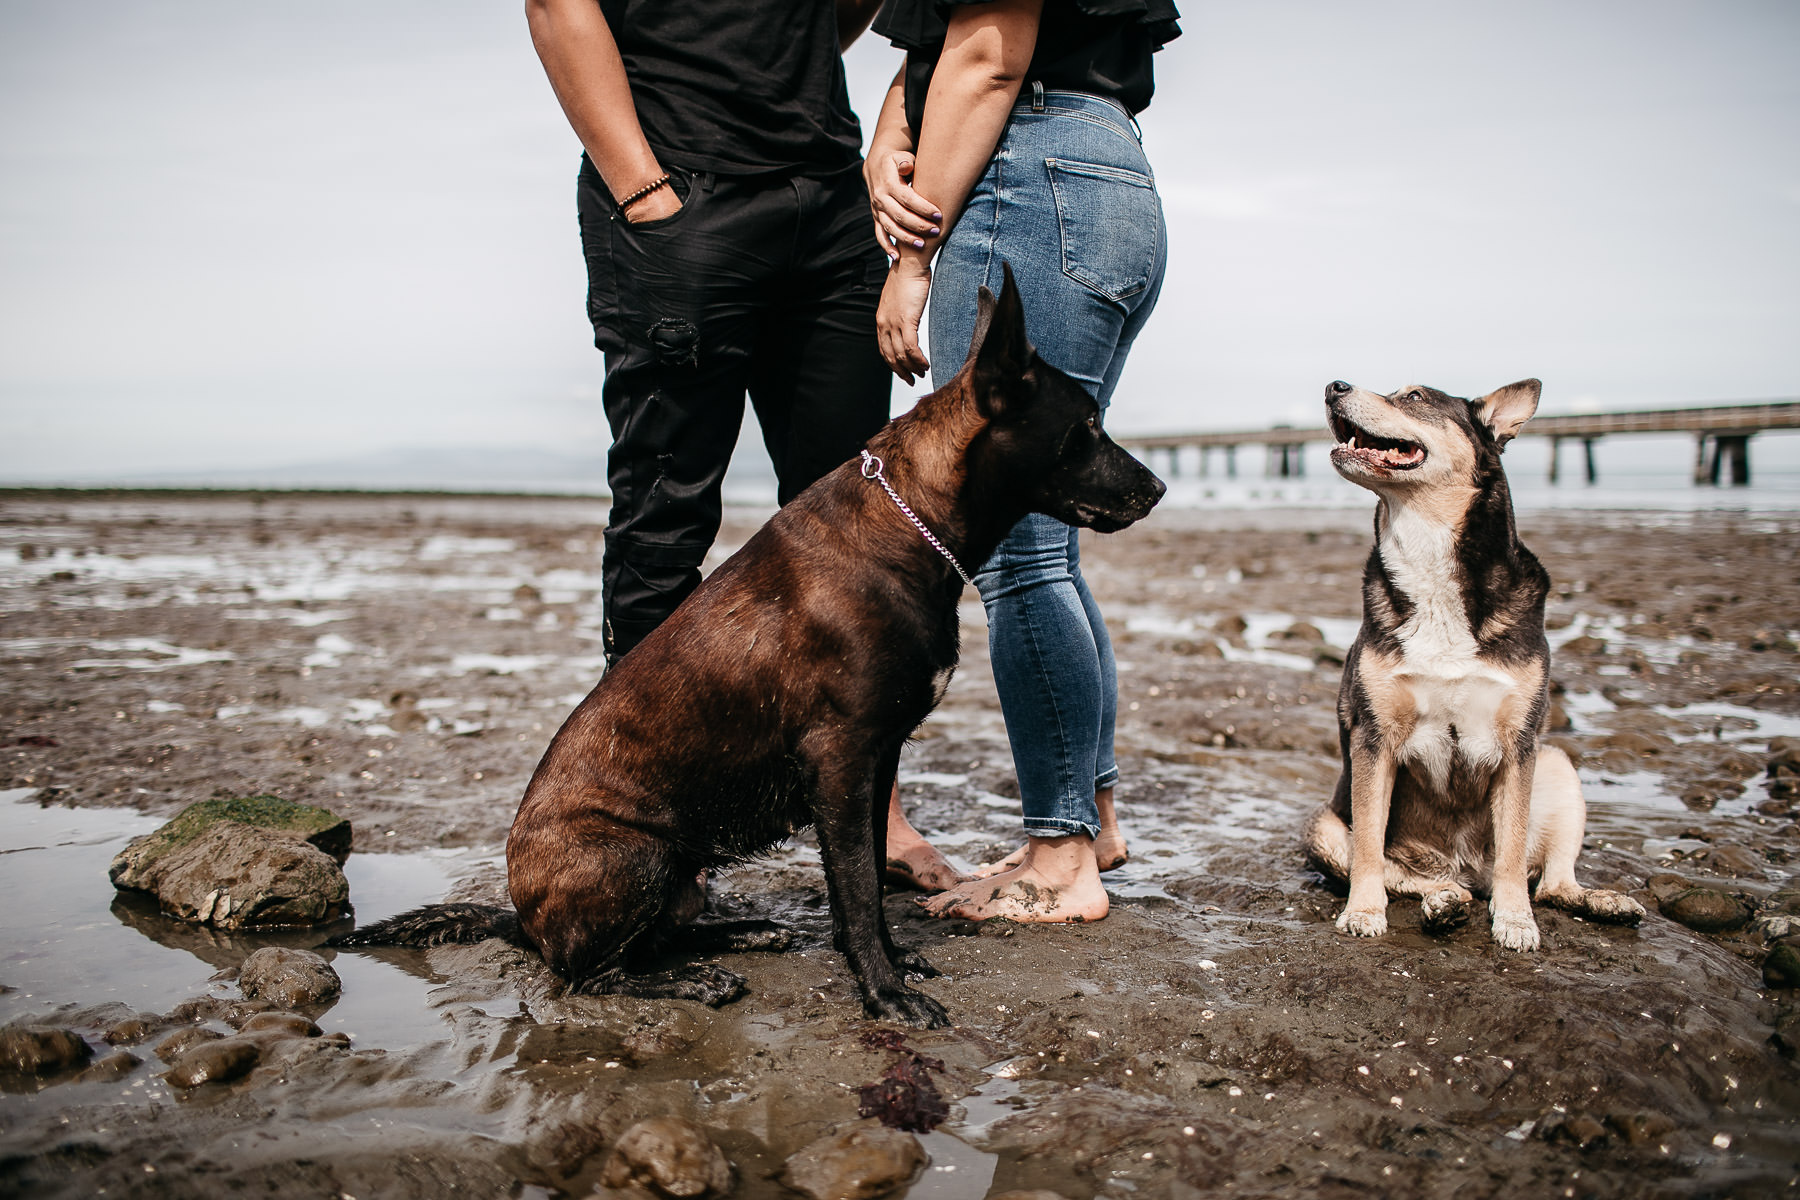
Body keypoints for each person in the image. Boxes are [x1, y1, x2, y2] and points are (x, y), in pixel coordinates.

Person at [866, 0, 1178, 921]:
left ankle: (1060, 858)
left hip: (1026, 174)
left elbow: (988, 54)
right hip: (1096, 171)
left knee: (1017, 553)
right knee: (1048, 546)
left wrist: (913, 256)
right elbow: (930, 45)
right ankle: (1093, 817)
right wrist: (887, 142)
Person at [524, 0, 895, 666]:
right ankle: (649, 764)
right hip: (678, 188)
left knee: (849, 519)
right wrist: (644, 192)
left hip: (831, 197)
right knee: (666, 516)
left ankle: (848, 769)